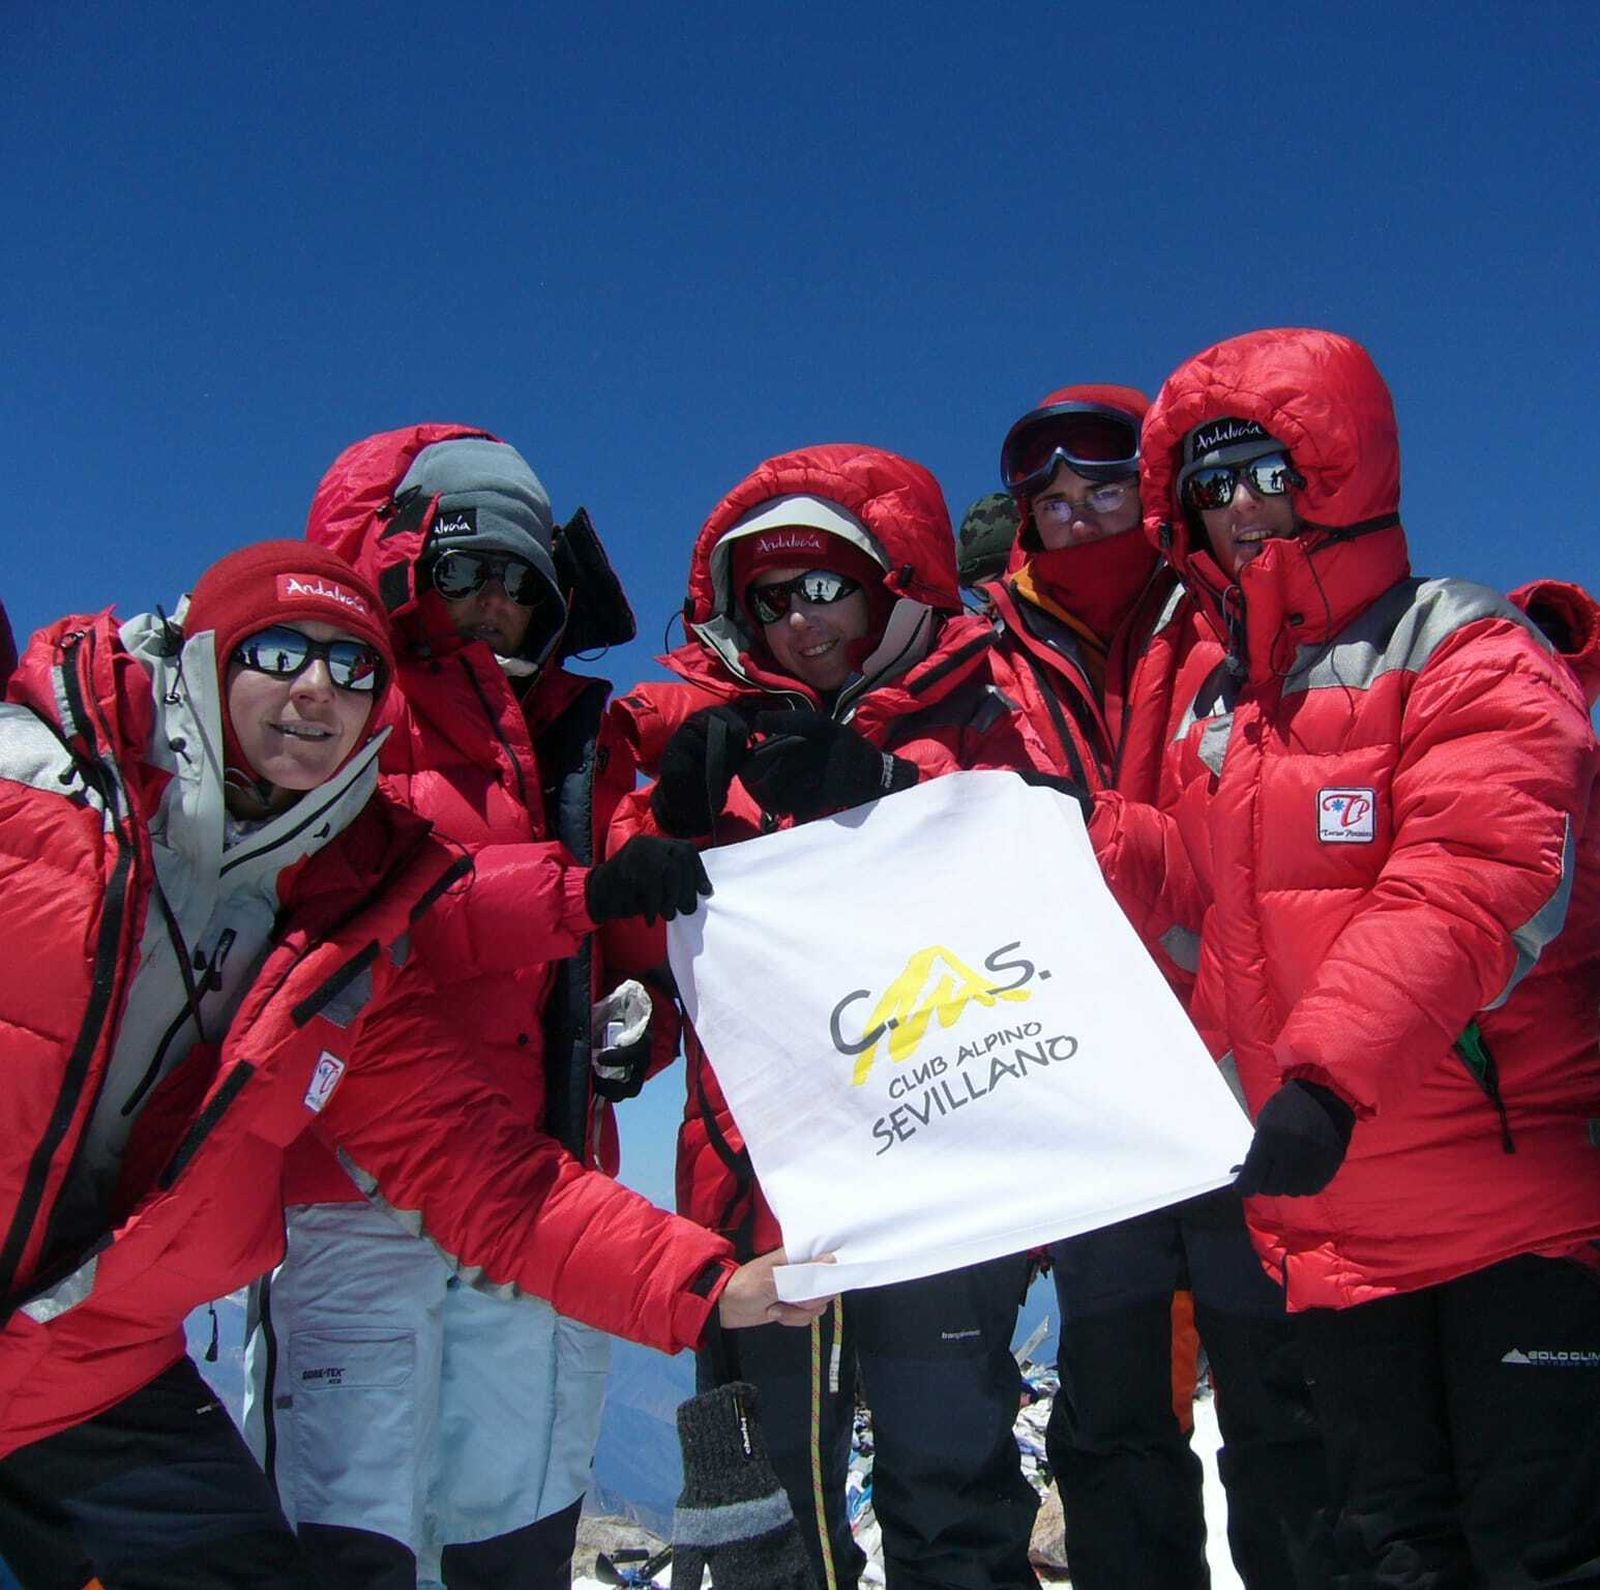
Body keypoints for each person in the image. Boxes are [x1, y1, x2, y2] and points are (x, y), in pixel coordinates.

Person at [0, 539, 824, 1590]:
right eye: (280, 650)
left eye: (353, 668)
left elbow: (477, 1172)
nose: (316, 689)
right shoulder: (32, 796)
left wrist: (708, 1284)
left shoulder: (336, 939)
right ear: (203, 659)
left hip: (77, 1369)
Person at [1095, 326, 1600, 1587]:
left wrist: (1322, 1076)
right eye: (1207, 489)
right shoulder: (1232, 712)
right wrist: (1047, 833)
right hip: (1333, 1232)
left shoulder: (1465, 648)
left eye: (1265, 471)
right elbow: (1208, 905)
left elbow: (1480, 879)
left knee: (1540, 1555)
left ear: (1340, 473)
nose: (1237, 512)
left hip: (1510, 1215)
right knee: (1393, 1557)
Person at [607, 443, 1054, 1590]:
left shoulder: (983, 703)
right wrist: (661, 844)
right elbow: (632, 932)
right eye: (771, 598)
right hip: (750, 1181)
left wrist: (892, 793)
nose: (802, 621)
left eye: (826, 588)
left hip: (941, 1164)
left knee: (951, 1489)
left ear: (883, 584)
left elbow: (1060, 851)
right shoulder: (673, 729)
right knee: (766, 1519)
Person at [239, 425, 668, 1589]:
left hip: (539, 1176)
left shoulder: (583, 739)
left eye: (518, 583)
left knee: (516, 1516)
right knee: (352, 1523)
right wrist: (578, 895)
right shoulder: (331, 705)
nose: (489, 603)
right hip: (355, 1173)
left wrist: (641, 1017)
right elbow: (349, 907)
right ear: (403, 561)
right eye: (464, 568)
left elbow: (635, 938)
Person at [987, 386, 1328, 1588]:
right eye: (1050, 499)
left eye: (1108, 487)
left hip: (1240, 1072)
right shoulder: (986, 649)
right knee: (1116, 1410)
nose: (1078, 515)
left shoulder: (1243, 613)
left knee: (1284, 1403)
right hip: (1087, 1087)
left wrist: (1095, 831)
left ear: (1155, 490)